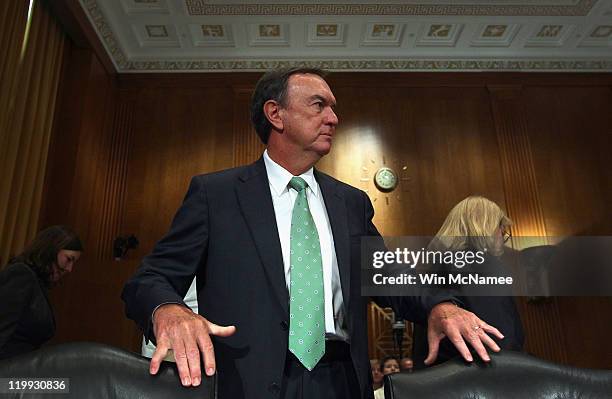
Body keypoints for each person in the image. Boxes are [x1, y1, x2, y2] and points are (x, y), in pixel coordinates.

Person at [121, 68, 503, 399]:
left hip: (340, 381)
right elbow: (150, 278)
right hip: (246, 382)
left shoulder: (349, 202)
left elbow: (387, 276)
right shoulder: (216, 195)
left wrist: (441, 304)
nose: (334, 118)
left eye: (333, 107)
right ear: (276, 114)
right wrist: (167, 309)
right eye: (319, 105)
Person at [413, 196, 524, 367]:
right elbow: (502, 340)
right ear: (486, 227)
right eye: (502, 230)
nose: (503, 237)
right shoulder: (482, 264)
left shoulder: (433, 267)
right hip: (483, 381)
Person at [0, 225, 82, 359]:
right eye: (69, 259)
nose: (70, 269)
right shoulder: (21, 274)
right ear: (51, 250)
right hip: (9, 373)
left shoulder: (36, 282)